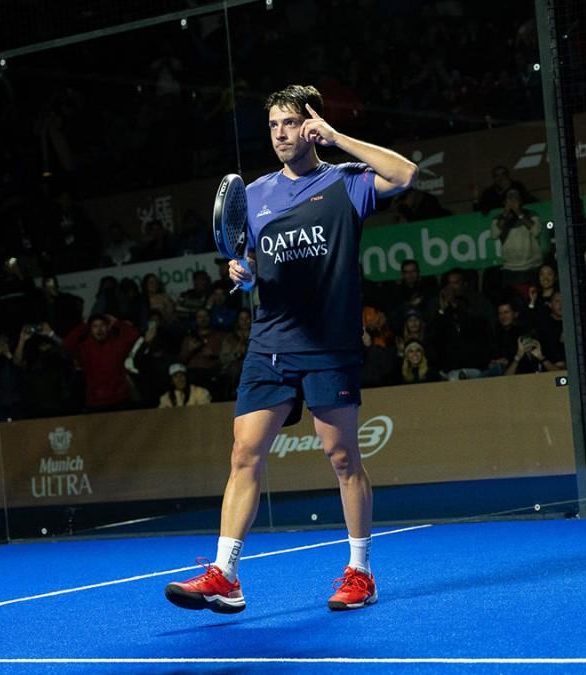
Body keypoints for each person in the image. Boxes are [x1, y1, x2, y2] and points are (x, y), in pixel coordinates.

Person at [165, 85, 416, 614]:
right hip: (270, 343)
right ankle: (225, 575)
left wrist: (338, 138)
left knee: (344, 457)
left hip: (329, 345)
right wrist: (244, 272)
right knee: (243, 454)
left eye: (290, 123)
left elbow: (405, 174)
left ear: (310, 125)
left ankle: (360, 572)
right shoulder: (254, 195)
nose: (280, 133)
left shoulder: (346, 184)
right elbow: (254, 263)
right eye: (274, 124)